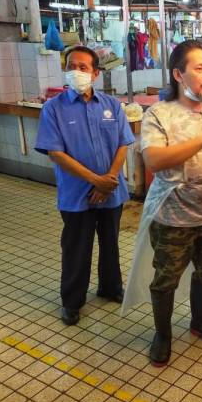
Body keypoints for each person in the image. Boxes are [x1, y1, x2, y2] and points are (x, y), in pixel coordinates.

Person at [123, 40, 202, 367]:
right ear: (178, 74)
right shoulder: (159, 115)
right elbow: (155, 161)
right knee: (166, 277)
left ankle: (201, 321)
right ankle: (162, 334)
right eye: (199, 68)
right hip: (172, 215)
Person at [35, 46, 135, 326]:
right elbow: (55, 153)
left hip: (112, 192)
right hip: (76, 194)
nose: (76, 71)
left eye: (83, 67)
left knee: (111, 243)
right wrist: (95, 181)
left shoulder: (111, 106)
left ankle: (110, 287)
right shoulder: (53, 108)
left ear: (95, 73)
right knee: (77, 248)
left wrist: (108, 181)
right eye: (71, 66)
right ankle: (72, 301)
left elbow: (123, 144)